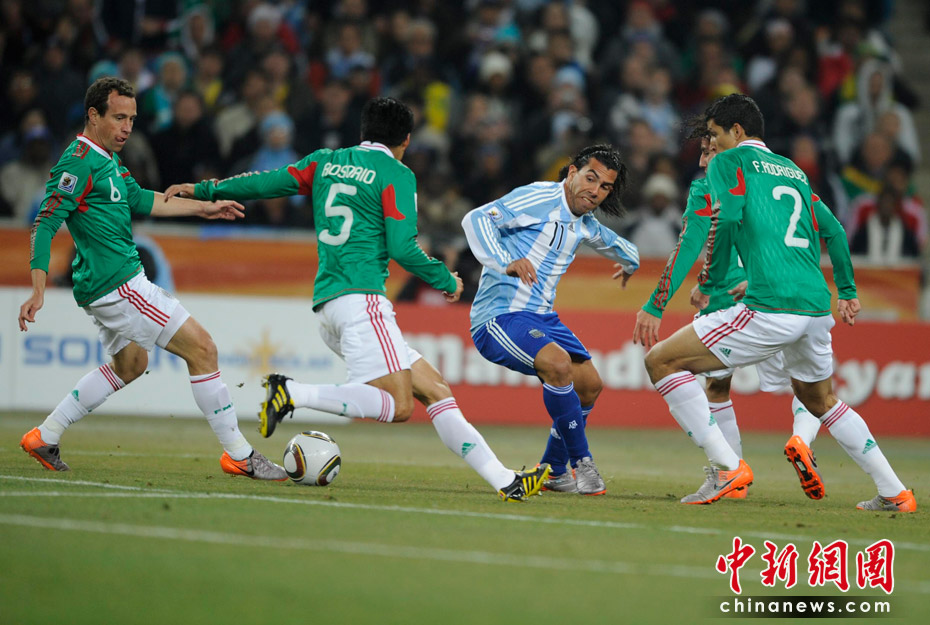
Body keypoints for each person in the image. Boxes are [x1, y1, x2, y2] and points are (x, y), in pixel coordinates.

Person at [164, 96, 549, 501]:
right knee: (399, 406)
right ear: (406, 139)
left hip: (330, 305)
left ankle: (505, 480)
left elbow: (265, 182)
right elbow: (402, 247)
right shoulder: (396, 173)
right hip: (363, 301)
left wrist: (206, 189)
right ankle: (293, 393)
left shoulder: (324, 162)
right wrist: (445, 279)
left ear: (363, 131)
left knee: (435, 389)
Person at [643, 94, 915, 512]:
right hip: (815, 307)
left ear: (737, 131)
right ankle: (895, 491)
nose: (711, 146)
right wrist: (847, 290)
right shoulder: (793, 170)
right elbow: (835, 230)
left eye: (714, 135)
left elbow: (727, 218)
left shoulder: (729, 162)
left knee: (661, 361)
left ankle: (727, 470)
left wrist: (710, 280)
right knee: (821, 401)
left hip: (770, 306)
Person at [18, 77, 286, 481]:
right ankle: (240, 455)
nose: (127, 127)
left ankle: (45, 435)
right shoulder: (79, 162)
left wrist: (203, 208)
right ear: (93, 115)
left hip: (101, 285)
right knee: (204, 349)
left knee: (131, 364)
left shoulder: (108, 159)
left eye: (132, 119)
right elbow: (44, 223)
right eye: (119, 118)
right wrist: (38, 290)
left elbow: (143, 199)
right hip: (120, 284)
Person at [634, 128, 824, 503]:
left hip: (740, 299)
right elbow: (812, 235)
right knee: (809, 386)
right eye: (702, 153)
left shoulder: (708, 188)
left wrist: (657, 303)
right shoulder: (773, 178)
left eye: (710, 151)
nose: (703, 160)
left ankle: (729, 470)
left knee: (668, 364)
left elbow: (688, 245)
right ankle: (798, 442)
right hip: (789, 295)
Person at [461, 144, 640, 496]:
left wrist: (630, 264)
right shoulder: (538, 197)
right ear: (572, 173)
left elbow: (620, 245)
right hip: (500, 316)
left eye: (605, 186)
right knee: (558, 364)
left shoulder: (585, 224)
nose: (595, 191)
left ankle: (554, 471)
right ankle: (582, 463)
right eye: (590, 178)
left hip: (543, 318)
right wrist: (504, 260)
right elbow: (476, 219)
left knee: (589, 385)